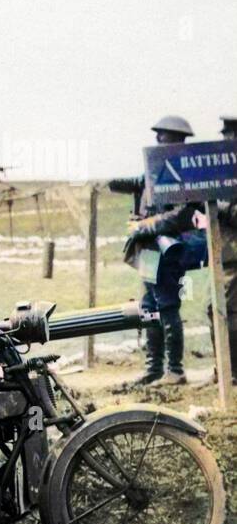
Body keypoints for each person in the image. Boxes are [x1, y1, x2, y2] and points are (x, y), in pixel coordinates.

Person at [117, 115, 208, 385]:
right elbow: (137, 185)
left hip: (168, 250)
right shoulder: (155, 170)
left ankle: (175, 370)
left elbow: (182, 216)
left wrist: (144, 227)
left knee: (167, 307)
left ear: (177, 140)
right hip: (150, 251)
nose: (158, 139)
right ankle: (154, 369)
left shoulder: (186, 173)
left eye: (163, 135)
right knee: (149, 308)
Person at [207, 116, 237, 383]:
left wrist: (223, 206)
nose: (226, 141)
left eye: (230, 137)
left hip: (233, 255)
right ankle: (224, 370)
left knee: (226, 310)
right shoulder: (223, 171)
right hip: (224, 253)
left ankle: (232, 373)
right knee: (214, 308)